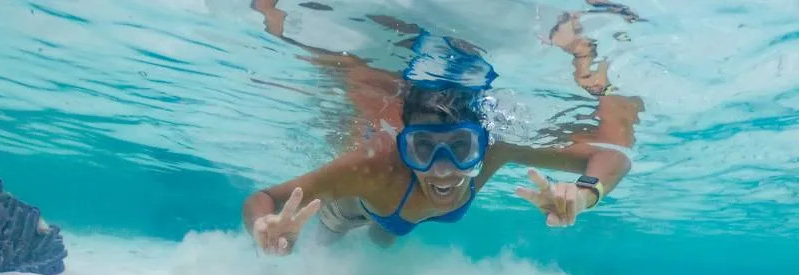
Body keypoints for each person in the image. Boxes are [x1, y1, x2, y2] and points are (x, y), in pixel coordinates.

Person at [242, 11, 643, 255]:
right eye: (423, 148)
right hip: (354, 207)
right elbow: (264, 199)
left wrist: (587, 193)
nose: (442, 169)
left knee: (381, 244)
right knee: (326, 249)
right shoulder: (371, 167)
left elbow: (611, 153)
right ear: (404, 147)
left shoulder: (496, 151)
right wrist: (264, 227)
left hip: (396, 218)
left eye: (461, 147)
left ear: (482, 142)